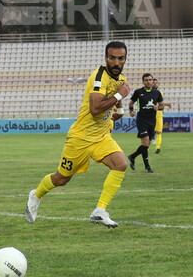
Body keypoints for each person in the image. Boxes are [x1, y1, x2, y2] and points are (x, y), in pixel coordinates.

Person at [26, 41, 132, 228]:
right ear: (106, 58)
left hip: (101, 137)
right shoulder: (99, 77)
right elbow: (95, 108)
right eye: (112, 58)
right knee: (62, 178)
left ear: (125, 59)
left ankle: (100, 210)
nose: (116, 62)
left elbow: (115, 108)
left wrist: (119, 108)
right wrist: (118, 96)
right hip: (81, 137)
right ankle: (36, 195)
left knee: (121, 164)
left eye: (121, 58)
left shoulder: (120, 79)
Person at [127, 74, 164, 172]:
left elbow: (162, 106)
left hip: (152, 121)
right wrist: (131, 111)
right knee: (145, 141)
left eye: (150, 80)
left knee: (146, 145)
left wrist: (159, 108)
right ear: (143, 81)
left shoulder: (157, 93)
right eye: (146, 80)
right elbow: (131, 103)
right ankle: (147, 167)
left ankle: (132, 156)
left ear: (152, 81)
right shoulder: (138, 92)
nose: (148, 81)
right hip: (141, 120)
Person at [152, 77, 171, 153]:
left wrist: (165, 105)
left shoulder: (160, 93)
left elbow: (160, 103)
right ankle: (147, 145)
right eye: (154, 82)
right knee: (148, 132)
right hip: (150, 114)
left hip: (159, 114)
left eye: (157, 83)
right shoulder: (148, 92)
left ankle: (157, 147)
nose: (156, 84)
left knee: (159, 132)